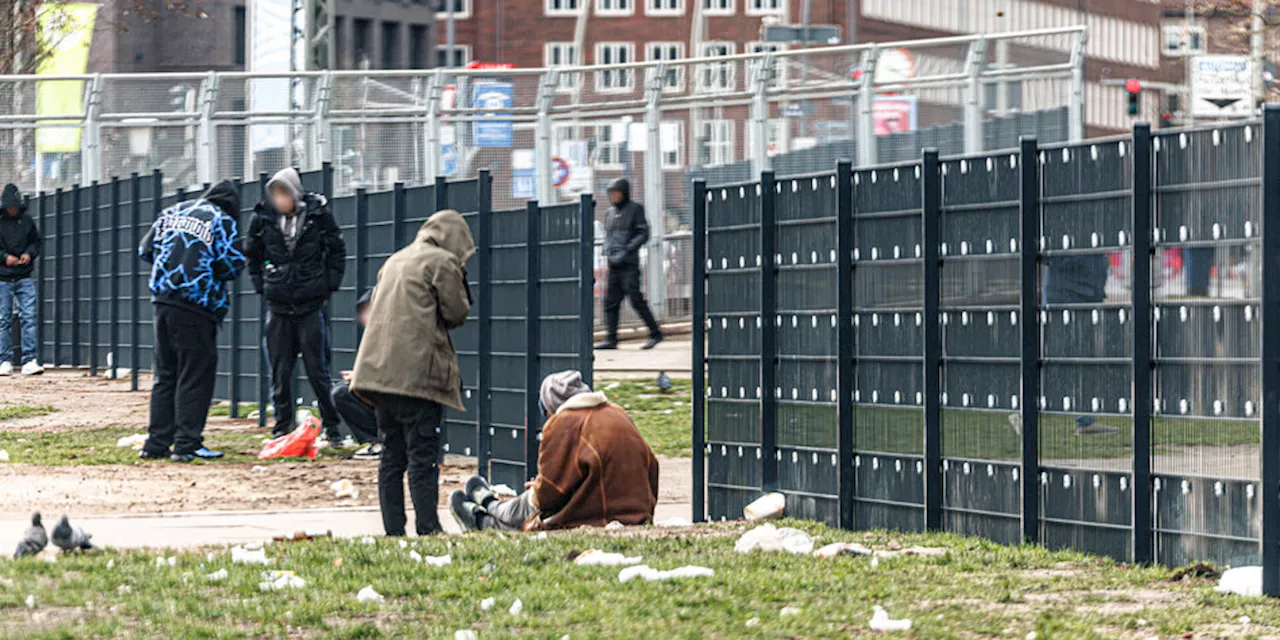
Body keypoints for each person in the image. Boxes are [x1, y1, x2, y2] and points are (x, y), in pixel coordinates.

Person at [351, 209, 473, 537]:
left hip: (379, 376)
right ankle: (428, 527)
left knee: (392, 456)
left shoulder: (396, 260)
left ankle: (394, 530)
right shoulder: (442, 262)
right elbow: (456, 312)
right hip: (417, 377)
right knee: (422, 457)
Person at [449, 370, 659, 532]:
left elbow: (547, 495)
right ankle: (489, 506)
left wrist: (539, 485)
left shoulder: (564, 422)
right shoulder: (617, 413)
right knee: (530, 504)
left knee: (525, 510)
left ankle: (487, 511)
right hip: (636, 512)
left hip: (594, 516)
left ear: (551, 406)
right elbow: (651, 466)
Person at [138, 181, 246, 462]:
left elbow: (145, 250)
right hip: (197, 305)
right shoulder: (221, 220)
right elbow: (233, 264)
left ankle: (156, 443)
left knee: (166, 374)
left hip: (162, 300)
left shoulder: (172, 210)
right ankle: (188, 443)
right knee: (195, 373)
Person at [244, 168, 347, 443]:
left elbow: (336, 249)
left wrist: (328, 285)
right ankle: (282, 426)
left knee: (318, 370)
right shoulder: (263, 219)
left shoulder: (317, 215)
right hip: (278, 303)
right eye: (275, 194)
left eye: (284, 193)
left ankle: (332, 427)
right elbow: (252, 254)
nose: (280, 200)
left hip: (310, 302)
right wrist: (263, 286)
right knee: (280, 369)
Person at [595, 178, 663, 351]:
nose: (614, 196)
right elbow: (609, 236)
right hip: (614, 264)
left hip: (629, 263)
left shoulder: (635, 209)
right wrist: (607, 250)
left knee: (635, 298)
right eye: (612, 194)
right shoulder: (609, 213)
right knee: (610, 301)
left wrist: (628, 249)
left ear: (624, 193)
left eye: (617, 193)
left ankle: (655, 332)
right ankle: (611, 338)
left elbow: (643, 232)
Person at [331, 290, 381, 460]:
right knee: (341, 391)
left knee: (343, 391)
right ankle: (375, 441)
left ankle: (384, 441)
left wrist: (362, 376)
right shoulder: (372, 337)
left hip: (399, 396)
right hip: (381, 390)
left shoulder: (395, 335)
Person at [0, 184, 42, 376]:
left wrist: (28, 254)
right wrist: (4, 258)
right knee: (3, 319)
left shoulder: (26, 221)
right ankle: (4, 359)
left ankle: (29, 359)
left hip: (24, 275)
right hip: (3, 277)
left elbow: (36, 242)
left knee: (29, 317)